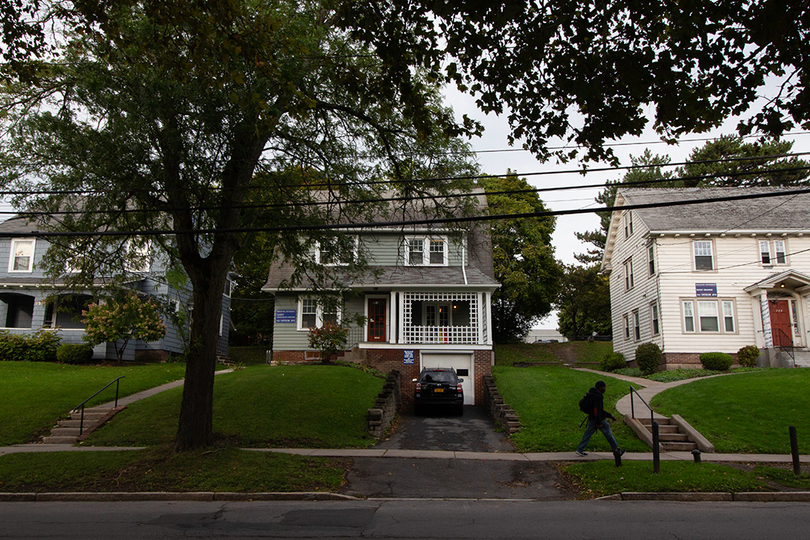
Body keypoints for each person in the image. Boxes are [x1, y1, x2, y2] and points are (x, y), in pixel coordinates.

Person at [575, 380, 625, 457]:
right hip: (599, 419)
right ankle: (616, 450)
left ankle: (580, 449)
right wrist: (598, 423)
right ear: (601, 388)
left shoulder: (593, 394)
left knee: (588, 433)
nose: (605, 389)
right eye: (604, 387)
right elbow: (597, 409)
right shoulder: (598, 396)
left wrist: (610, 416)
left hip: (592, 417)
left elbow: (600, 409)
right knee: (608, 433)